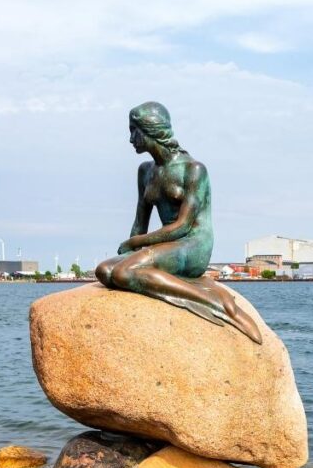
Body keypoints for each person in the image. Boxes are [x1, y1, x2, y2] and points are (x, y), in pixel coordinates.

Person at [95, 102, 262, 344]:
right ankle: (187, 286)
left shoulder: (193, 169)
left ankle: (213, 301)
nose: (131, 138)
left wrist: (135, 243)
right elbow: (140, 221)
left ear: (152, 130)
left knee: (124, 272)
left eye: (134, 130)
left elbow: (183, 226)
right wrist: (131, 248)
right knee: (105, 270)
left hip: (192, 244)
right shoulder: (145, 171)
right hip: (164, 245)